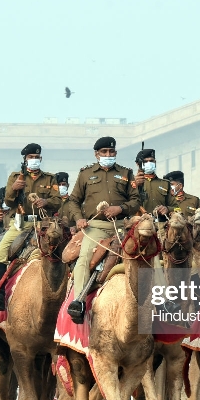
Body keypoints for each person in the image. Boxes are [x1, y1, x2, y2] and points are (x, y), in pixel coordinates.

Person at [66, 136, 140, 319]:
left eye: (111, 152)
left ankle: (156, 302)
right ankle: (79, 302)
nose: (108, 155)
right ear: (96, 154)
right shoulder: (85, 173)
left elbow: (136, 201)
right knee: (84, 257)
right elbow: (74, 200)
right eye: (104, 152)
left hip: (123, 226)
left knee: (146, 256)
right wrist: (78, 219)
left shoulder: (126, 173)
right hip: (96, 226)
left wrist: (120, 208)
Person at [0, 143, 63, 310]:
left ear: (40, 159)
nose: (34, 160)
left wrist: (46, 201)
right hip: (20, 223)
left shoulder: (50, 178)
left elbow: (58, 201)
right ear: (25, 160)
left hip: (43, 222)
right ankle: (0, 295)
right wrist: (13, 189)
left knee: (59, 249)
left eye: (36, 157)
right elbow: (7, 201)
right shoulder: (15, 177)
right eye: (30, 157)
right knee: (2, 250)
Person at [134, 148, 173, 218]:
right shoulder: (129, 184)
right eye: (145, 161)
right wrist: (134, 186)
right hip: (139, 224)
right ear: (138, 164)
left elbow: (177, 207)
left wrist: (167, 209)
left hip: (161, 224)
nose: (149, 163)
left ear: (155, 162)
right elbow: (123, 204)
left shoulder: (165, 184)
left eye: (151, 161)